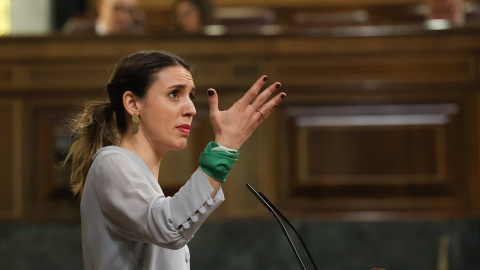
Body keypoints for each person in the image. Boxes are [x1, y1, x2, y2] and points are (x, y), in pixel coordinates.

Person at [64, 50, 285, 269]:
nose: (191, 109)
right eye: (174, 94)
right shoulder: (110, 162)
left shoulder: (134, 173)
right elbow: (170, 227)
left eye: (190, 95)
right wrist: (223, 150)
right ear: (132, 103)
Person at [62, 0, 144, 35]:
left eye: (130, 11)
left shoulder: (137, 35)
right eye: (116, 8)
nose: (123, 17)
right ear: (100, 8)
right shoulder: (77, 31)